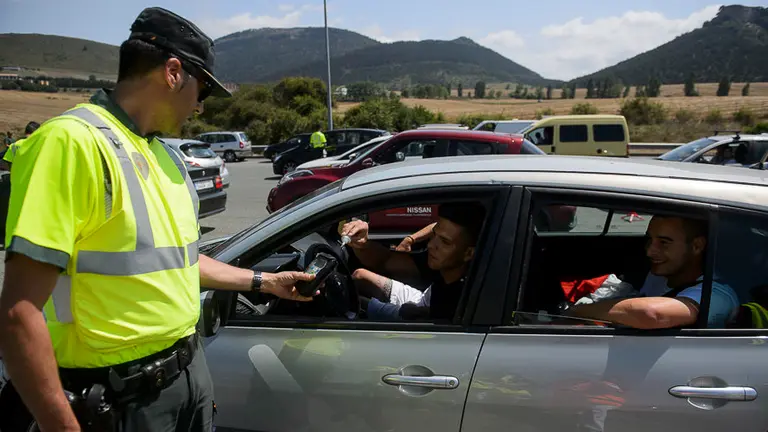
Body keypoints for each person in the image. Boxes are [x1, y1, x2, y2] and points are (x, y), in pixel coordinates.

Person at [0, 7, 318, 432]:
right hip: (117, 399)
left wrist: (262, 282)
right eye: (202, 92)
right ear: (173, 73)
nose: (200, 108)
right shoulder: (71, 143)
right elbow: (19, 313)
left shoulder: (164, 155)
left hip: (186, 379)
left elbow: (177, 263)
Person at [567, 215, 739, 329]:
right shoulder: (660, 276)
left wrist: (575, 312)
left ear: (697, 246)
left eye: (664, 242)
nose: (650, 251)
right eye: (650, 239)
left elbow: (652, 314)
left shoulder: (716, 295)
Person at [341, 202, 485, 321]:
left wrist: (420, 313)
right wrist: (362, 243)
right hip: (423, 301)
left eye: (445, 242)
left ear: (469, 253)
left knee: (355, 305)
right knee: (359, 276)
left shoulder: (459, 301)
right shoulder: (446, 260)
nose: (430, 245)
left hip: (420, 316)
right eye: (434, 234)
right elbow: (386, 260)